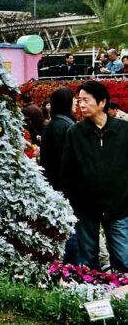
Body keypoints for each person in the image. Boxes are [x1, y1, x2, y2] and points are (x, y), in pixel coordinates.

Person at [61, 80, 128, 272]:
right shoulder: (75, 132)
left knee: (123, 260)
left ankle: (121, 299)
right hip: (86, 208)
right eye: (79, 100)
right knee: (88, 263)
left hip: (119, 207)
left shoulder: (123, 130)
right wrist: (75, 199)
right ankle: (91, 297)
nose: (81, 105)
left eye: (86, 100)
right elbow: (68, 171)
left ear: (102, 102)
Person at [40, 87, 77, 263]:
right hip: (67, 186)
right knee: (72, 229)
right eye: (75, 100)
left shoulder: (52, 125)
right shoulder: (68, 127)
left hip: (55, 184)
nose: (77, 103)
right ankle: (74, 267)